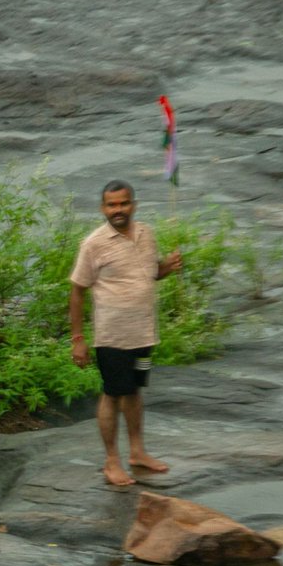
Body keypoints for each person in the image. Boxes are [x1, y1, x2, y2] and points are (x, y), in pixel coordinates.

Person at [68, 180, 183, 486]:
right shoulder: (93, 243)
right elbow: (77, 291)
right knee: (113, 394)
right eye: (111, 205)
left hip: (143, 333)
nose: (118, 210)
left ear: (134, 204)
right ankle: (111, 461)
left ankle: (137, 452)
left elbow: (149, 273)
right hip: (112, 336)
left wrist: (167, 268)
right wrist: (78, 339)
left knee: (134, 391)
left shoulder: (146, 234)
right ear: (102, 208)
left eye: (123, 203)